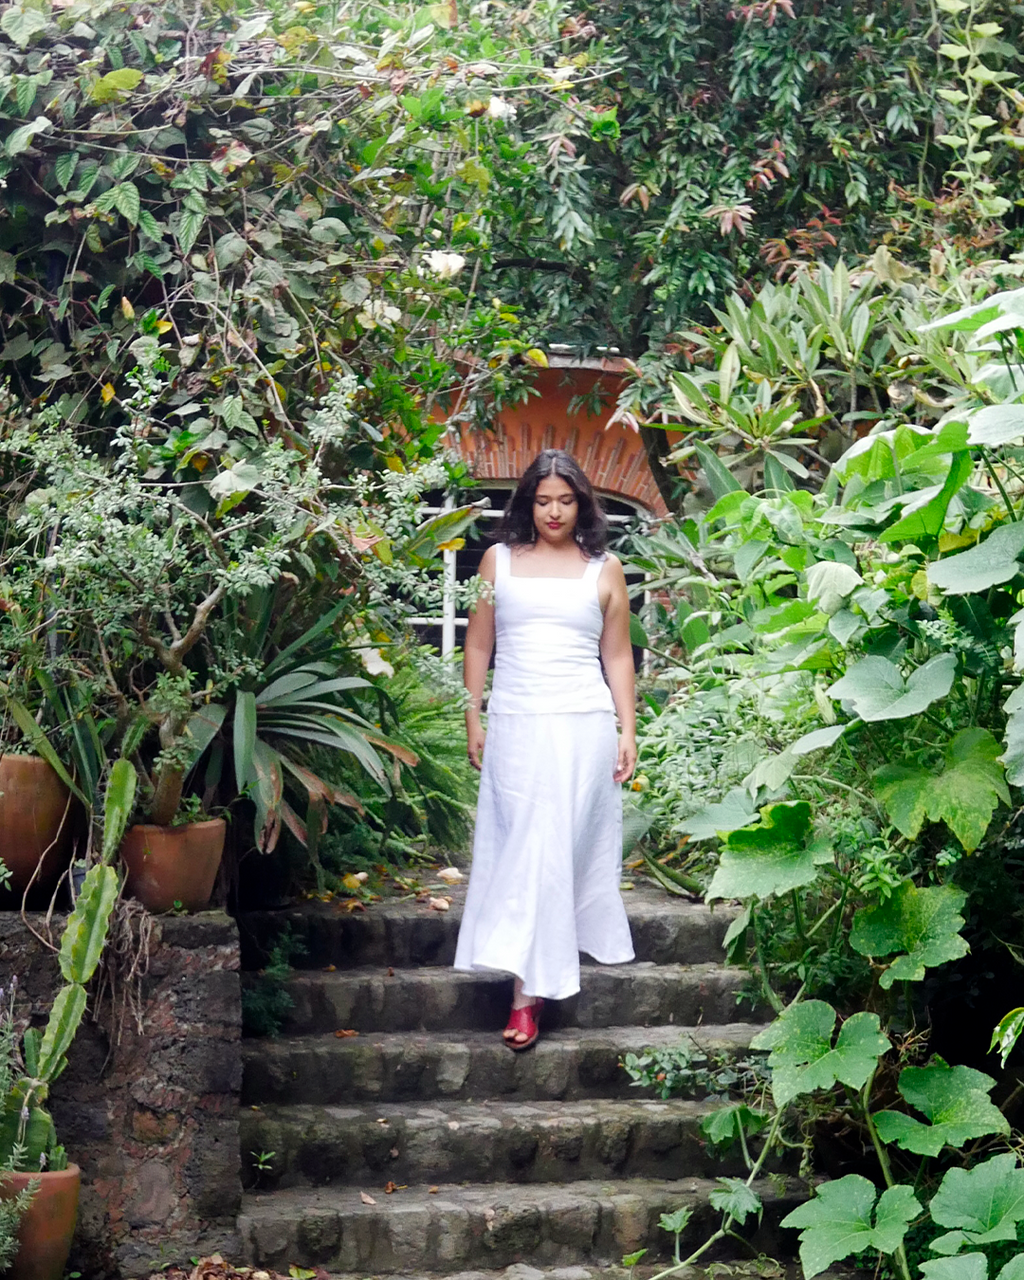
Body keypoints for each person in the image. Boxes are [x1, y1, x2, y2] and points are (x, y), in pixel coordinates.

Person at [453, 449, 637, 1051]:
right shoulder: (498, 561)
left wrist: (628, 729)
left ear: (582, 504)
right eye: (542, 501)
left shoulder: (604, 569)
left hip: (584, 725)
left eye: (565, 500)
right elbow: (479, 644)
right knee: (525, 846)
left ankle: (526, 997)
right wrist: (472, 713)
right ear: (526, 503)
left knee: (552, 850)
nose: (554, 512)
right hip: (516, 723)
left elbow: (618, 655)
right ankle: (533, 976)